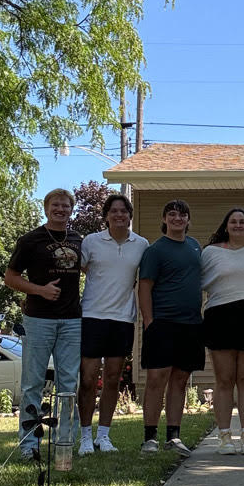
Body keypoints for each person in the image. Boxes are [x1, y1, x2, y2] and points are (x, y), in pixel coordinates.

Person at [5, 188, 81, 459]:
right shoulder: (30, 240)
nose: (60, 210)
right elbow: (10, 277)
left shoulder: (78, 240)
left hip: (72, 319)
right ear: (46, 208)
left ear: (71, 210)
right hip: (38, 319)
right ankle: (29, 444)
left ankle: (65, 442)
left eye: (65, 206)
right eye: (55, 205)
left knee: (69, 383)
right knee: (32, 383)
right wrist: (39, 290)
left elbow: (93, 269)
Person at [77, 193, 149, 456]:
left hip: (123, 319)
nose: (120, 215)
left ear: (130, 216)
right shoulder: (91, 242)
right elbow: (80, 270)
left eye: (124, 211)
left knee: (112, 378)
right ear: (106, 216)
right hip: (93, 316)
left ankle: (103, 436)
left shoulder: (141, 244)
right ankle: (85, 436)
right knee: (88, 378)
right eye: (114, 211)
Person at [138, 199, 204, 457]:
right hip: (162, 323)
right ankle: (149, 437)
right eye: (172, 215)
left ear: (188, 220)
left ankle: (173, 437)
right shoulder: (155, 250)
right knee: (157, 379)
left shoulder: (194, 246)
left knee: (180, 380)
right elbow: (144, 287)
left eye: (182, 215)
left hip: (191, 324)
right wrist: (149, 322)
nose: (178, 218)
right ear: (165, 219)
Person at [201, 208, 244, 455]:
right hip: (220, 316)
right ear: (226, 226)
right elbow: (197, 282)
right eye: (233, 221)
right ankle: (224, 436)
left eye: (243, 221)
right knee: (225, 380)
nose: (238, 225)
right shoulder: (210, 252)